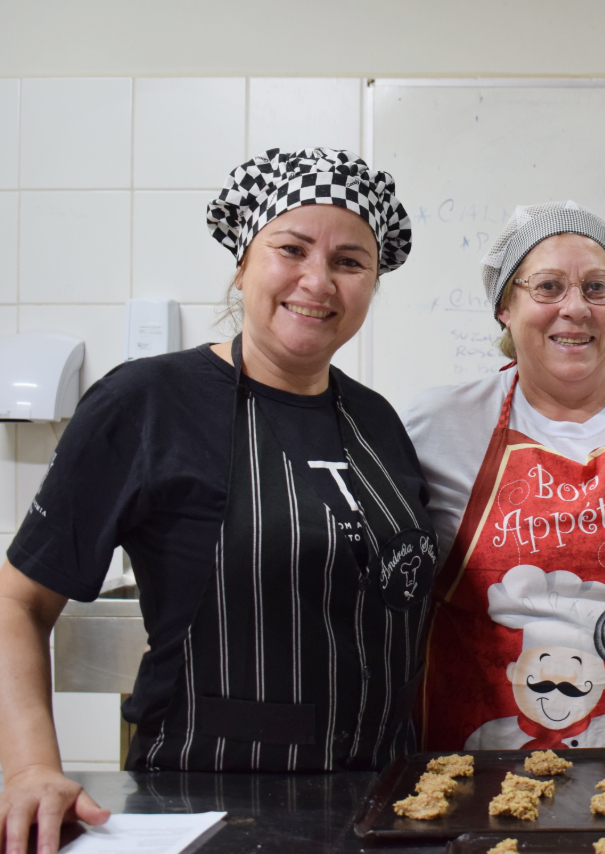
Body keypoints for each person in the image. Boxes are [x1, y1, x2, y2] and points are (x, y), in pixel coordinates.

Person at [0, 148, 437, 854]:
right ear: (242, 263)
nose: (317, 280)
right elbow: (16, 601)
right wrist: (29, 769)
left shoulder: (377, 421)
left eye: (351, 262)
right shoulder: (146, 402)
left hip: (381, 805)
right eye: (291, 249)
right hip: (201, 805)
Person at [402, 201, 605, 751]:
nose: (575, 308)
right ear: (505, 307)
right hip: (474, 775)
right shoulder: (442, 425)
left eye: (598, 287)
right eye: (548, 287)